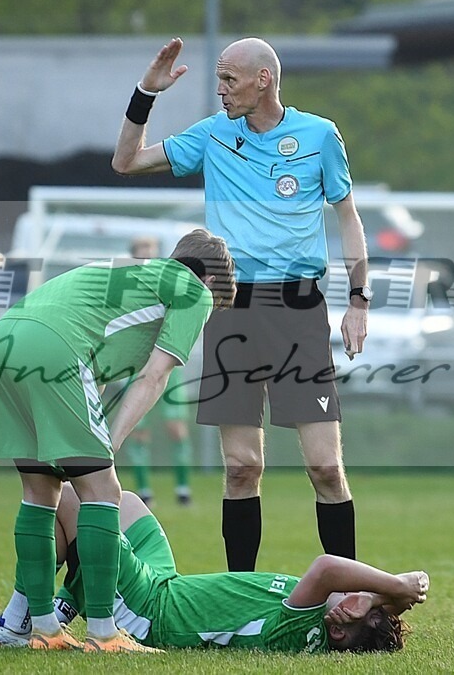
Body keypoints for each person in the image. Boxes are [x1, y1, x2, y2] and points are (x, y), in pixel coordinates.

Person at [112, 37, 370, 571]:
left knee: (325, 469)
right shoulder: (213, 135)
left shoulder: (319, 136)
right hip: (230, 311)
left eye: (229, 79)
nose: (221, 88)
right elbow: (126, 161)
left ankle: (349, 592)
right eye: (220, 79)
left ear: (263, 80)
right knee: (240, 467)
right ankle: (239, 597)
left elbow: (348, 217)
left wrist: (359, 300)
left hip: (301, 313)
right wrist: (146, 93)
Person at [0, 229, 235, 653]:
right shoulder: (194, 290)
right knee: (103, 491)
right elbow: (154, 377)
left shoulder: (130, 270)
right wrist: (108, 445)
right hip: (55, 348)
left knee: (41, 492)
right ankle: (104, 633)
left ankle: (40, 628)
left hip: (3, 339)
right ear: (209, 280)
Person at [0, 483, 428, 653]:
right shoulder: (329, 614)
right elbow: (340, 585)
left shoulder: (303, 631)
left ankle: (24, 618)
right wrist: (388, 597)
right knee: (127, 504)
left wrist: (394, 584)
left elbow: (326, 567)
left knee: (74, 500)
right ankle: (69, 604)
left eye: (358, 600)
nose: (355, 591)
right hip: (165, 585)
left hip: (152, 612)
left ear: (341, 629)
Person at [125, 236, 196, 506]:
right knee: (138, 430)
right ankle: (144, 492)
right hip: (136, 364)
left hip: (167, 361)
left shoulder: (169, 285)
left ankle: (183, 490)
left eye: (152, 251)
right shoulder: (127, 288)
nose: (148, 256)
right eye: (143, 251)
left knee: (176, 428)